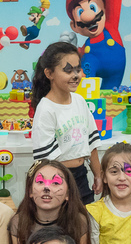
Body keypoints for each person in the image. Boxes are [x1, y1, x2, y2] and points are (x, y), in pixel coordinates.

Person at [29, 42, 102, 204]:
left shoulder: (79, 101)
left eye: (77, 69)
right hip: (57, 180)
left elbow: (91, 142)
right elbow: (46, 161)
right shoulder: (46, 109)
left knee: (85, 226)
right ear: (49, 73)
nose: (75, 75)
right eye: (68, 70)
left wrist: (98, 174)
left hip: (82, 177)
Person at [9, 159, 92, 244]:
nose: (46, 188)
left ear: (68, 194)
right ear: (30, 191)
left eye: (56, 183)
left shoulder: (78, 221)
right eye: (40, 182)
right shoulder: (19, 221)